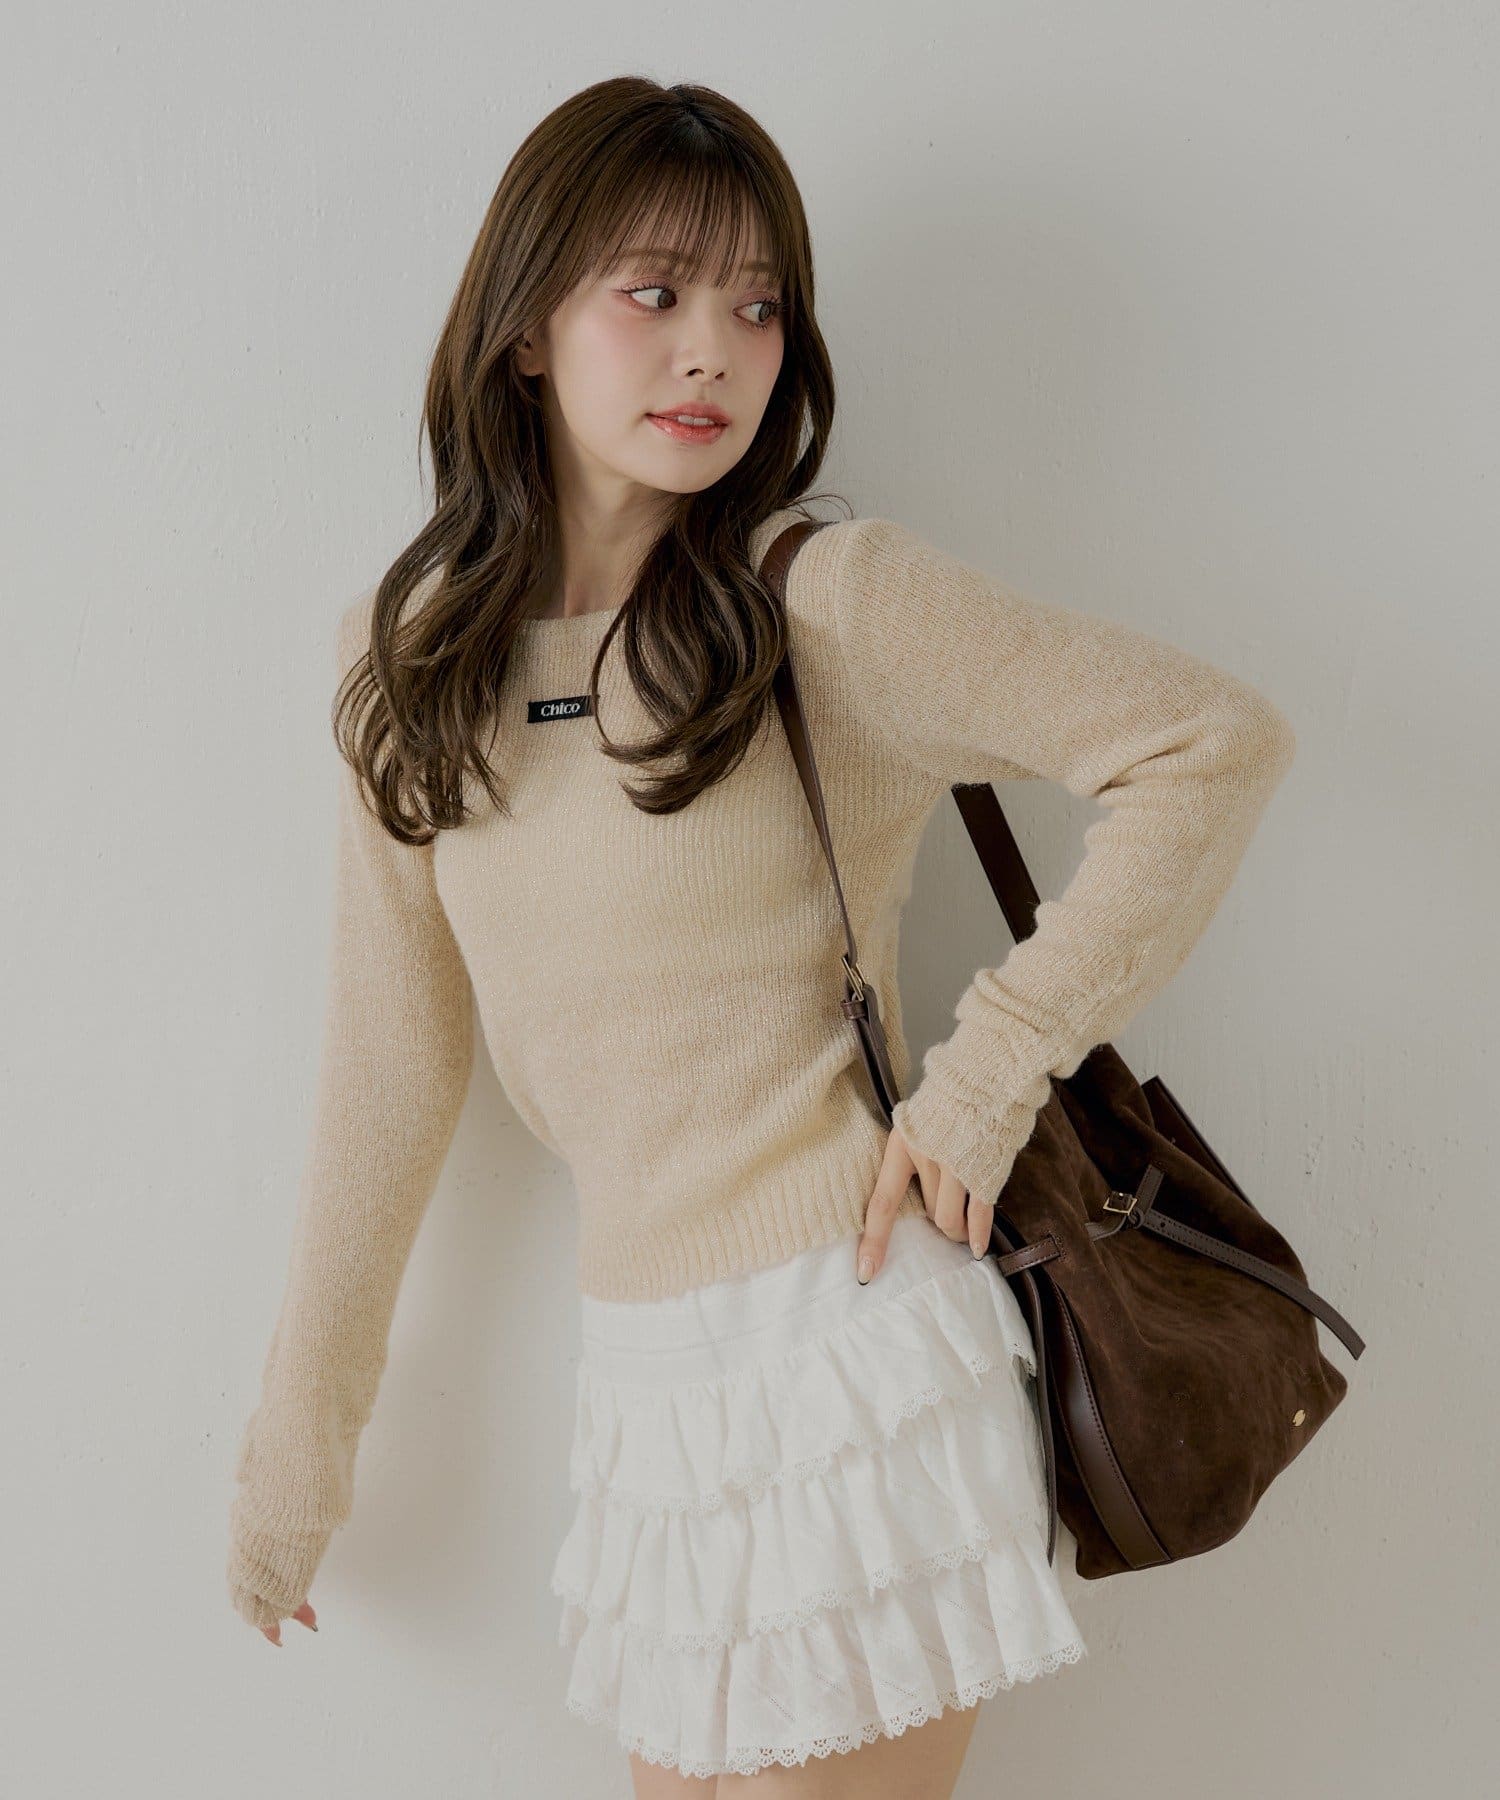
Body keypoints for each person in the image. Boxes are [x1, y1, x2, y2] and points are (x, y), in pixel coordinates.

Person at [226, 75, 1297, 1799]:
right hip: (648, 1394)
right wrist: (300, 1447)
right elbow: (391, 1065)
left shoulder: (823, 599)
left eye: (755, 305)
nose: (711, 352)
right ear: (525, 329)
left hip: (856, 1354)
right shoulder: (407, 657)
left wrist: (985, 1081)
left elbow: (1208, 743)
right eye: (654, 293)